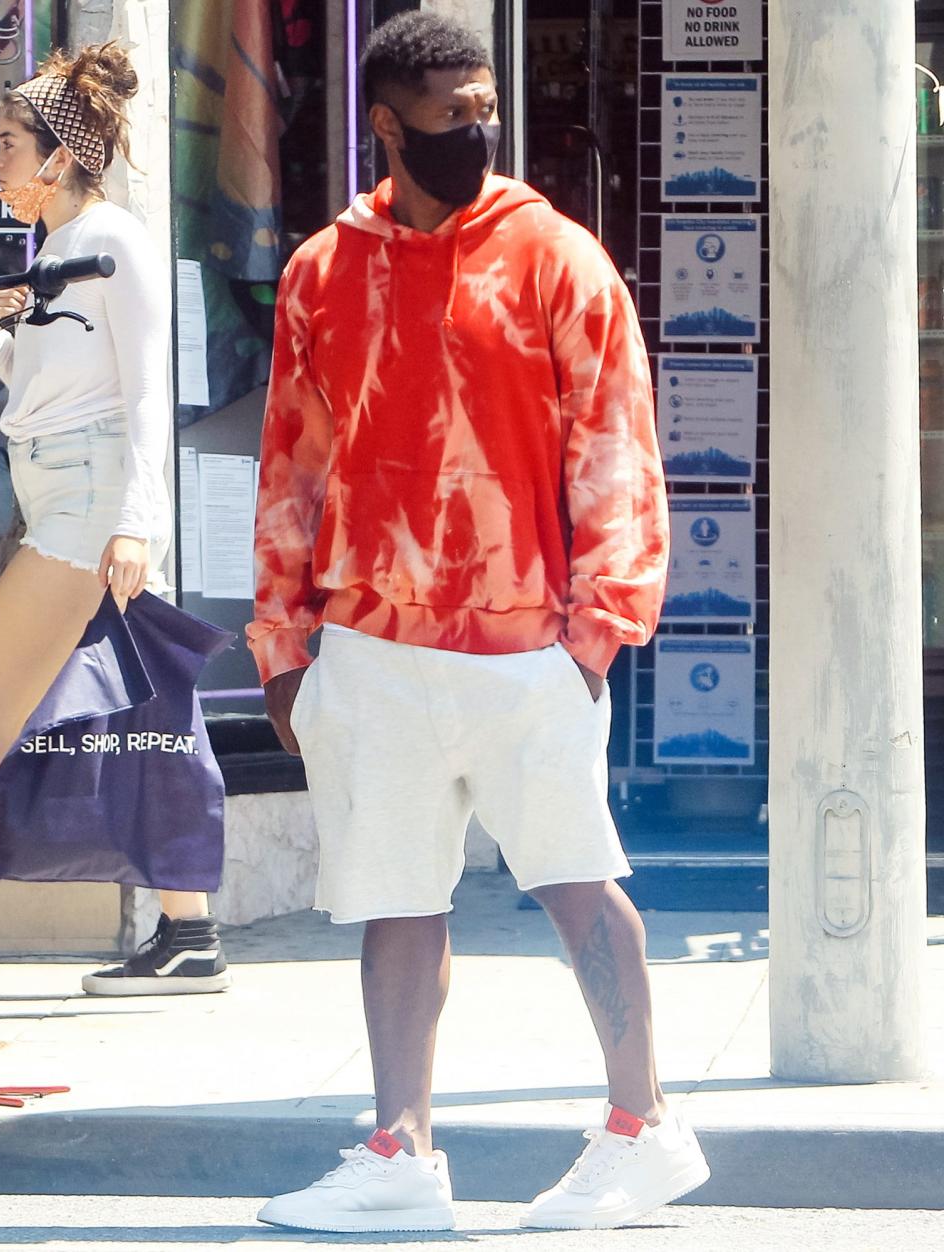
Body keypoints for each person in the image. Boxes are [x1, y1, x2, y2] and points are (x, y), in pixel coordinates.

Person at [249, 11, 709, 1233]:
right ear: (386, 126)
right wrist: (285, 643)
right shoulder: (321, 270)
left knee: (578, 880)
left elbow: (617, 449)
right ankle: (400, 1149)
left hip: (524, 647)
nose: (479, 130)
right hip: (372, 644)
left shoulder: (556, 257)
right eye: (451, 114)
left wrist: (594, 635)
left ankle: (643, 1127)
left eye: (486, 107)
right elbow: (291, 463)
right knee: (394, 897)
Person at [0, 42, 229, 996]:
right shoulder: (63, 250)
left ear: (57, 156)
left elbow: (143, 391)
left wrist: (137, 524)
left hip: (86, 516)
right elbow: (55, 389)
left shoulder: (115, 240)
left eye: (5, 143)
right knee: (146, 707)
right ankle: (189, 933)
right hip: (60, 502)